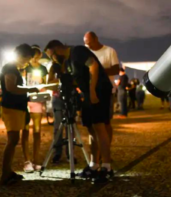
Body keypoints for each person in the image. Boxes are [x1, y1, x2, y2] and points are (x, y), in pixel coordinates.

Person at [44, 40, 113, 184]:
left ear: (57, 48)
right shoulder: (68, 62)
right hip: (87, 93)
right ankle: (94, 165)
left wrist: (93, 91)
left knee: (99, 127)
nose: (53, 59)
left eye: (52, 55)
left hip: (98, 90)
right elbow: (77, 79)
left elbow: (93, 66)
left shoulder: (77, 51)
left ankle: (107, 167)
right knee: (91, 129)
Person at [0, 44, 42, 186]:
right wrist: (30, 89)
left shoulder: (13, 68)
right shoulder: (10, 68)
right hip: (11, 108)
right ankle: (5, 173)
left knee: (14, 139)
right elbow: (11, 88)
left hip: (16, 108)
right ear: (21, 56)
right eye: (27, 59)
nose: (27, 62)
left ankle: (8, 172)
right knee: (12, 140)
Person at [83, 31, 119, 145]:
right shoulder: (86, 53)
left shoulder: (109, 51)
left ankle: (106, 150)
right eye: (86, 44)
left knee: (106, 122)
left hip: (106, 91)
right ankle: (96, 153)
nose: (88, 46)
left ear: (96, 39)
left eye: (89, 43)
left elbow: (116, 69)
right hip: (91, 91)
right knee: (92, 123)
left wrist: (98, 71)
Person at [21, 45, 48, 173]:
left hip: (37, 99)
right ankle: (27, 161)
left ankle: (36, 160)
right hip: (26, 100)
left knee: (37, 131)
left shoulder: (43, 69)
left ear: (40, 55)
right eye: (33, 55)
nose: (35, 57)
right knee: (25, 130)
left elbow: (45, 83)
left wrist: (43, 88)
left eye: (37, 54)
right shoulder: (25, 67)